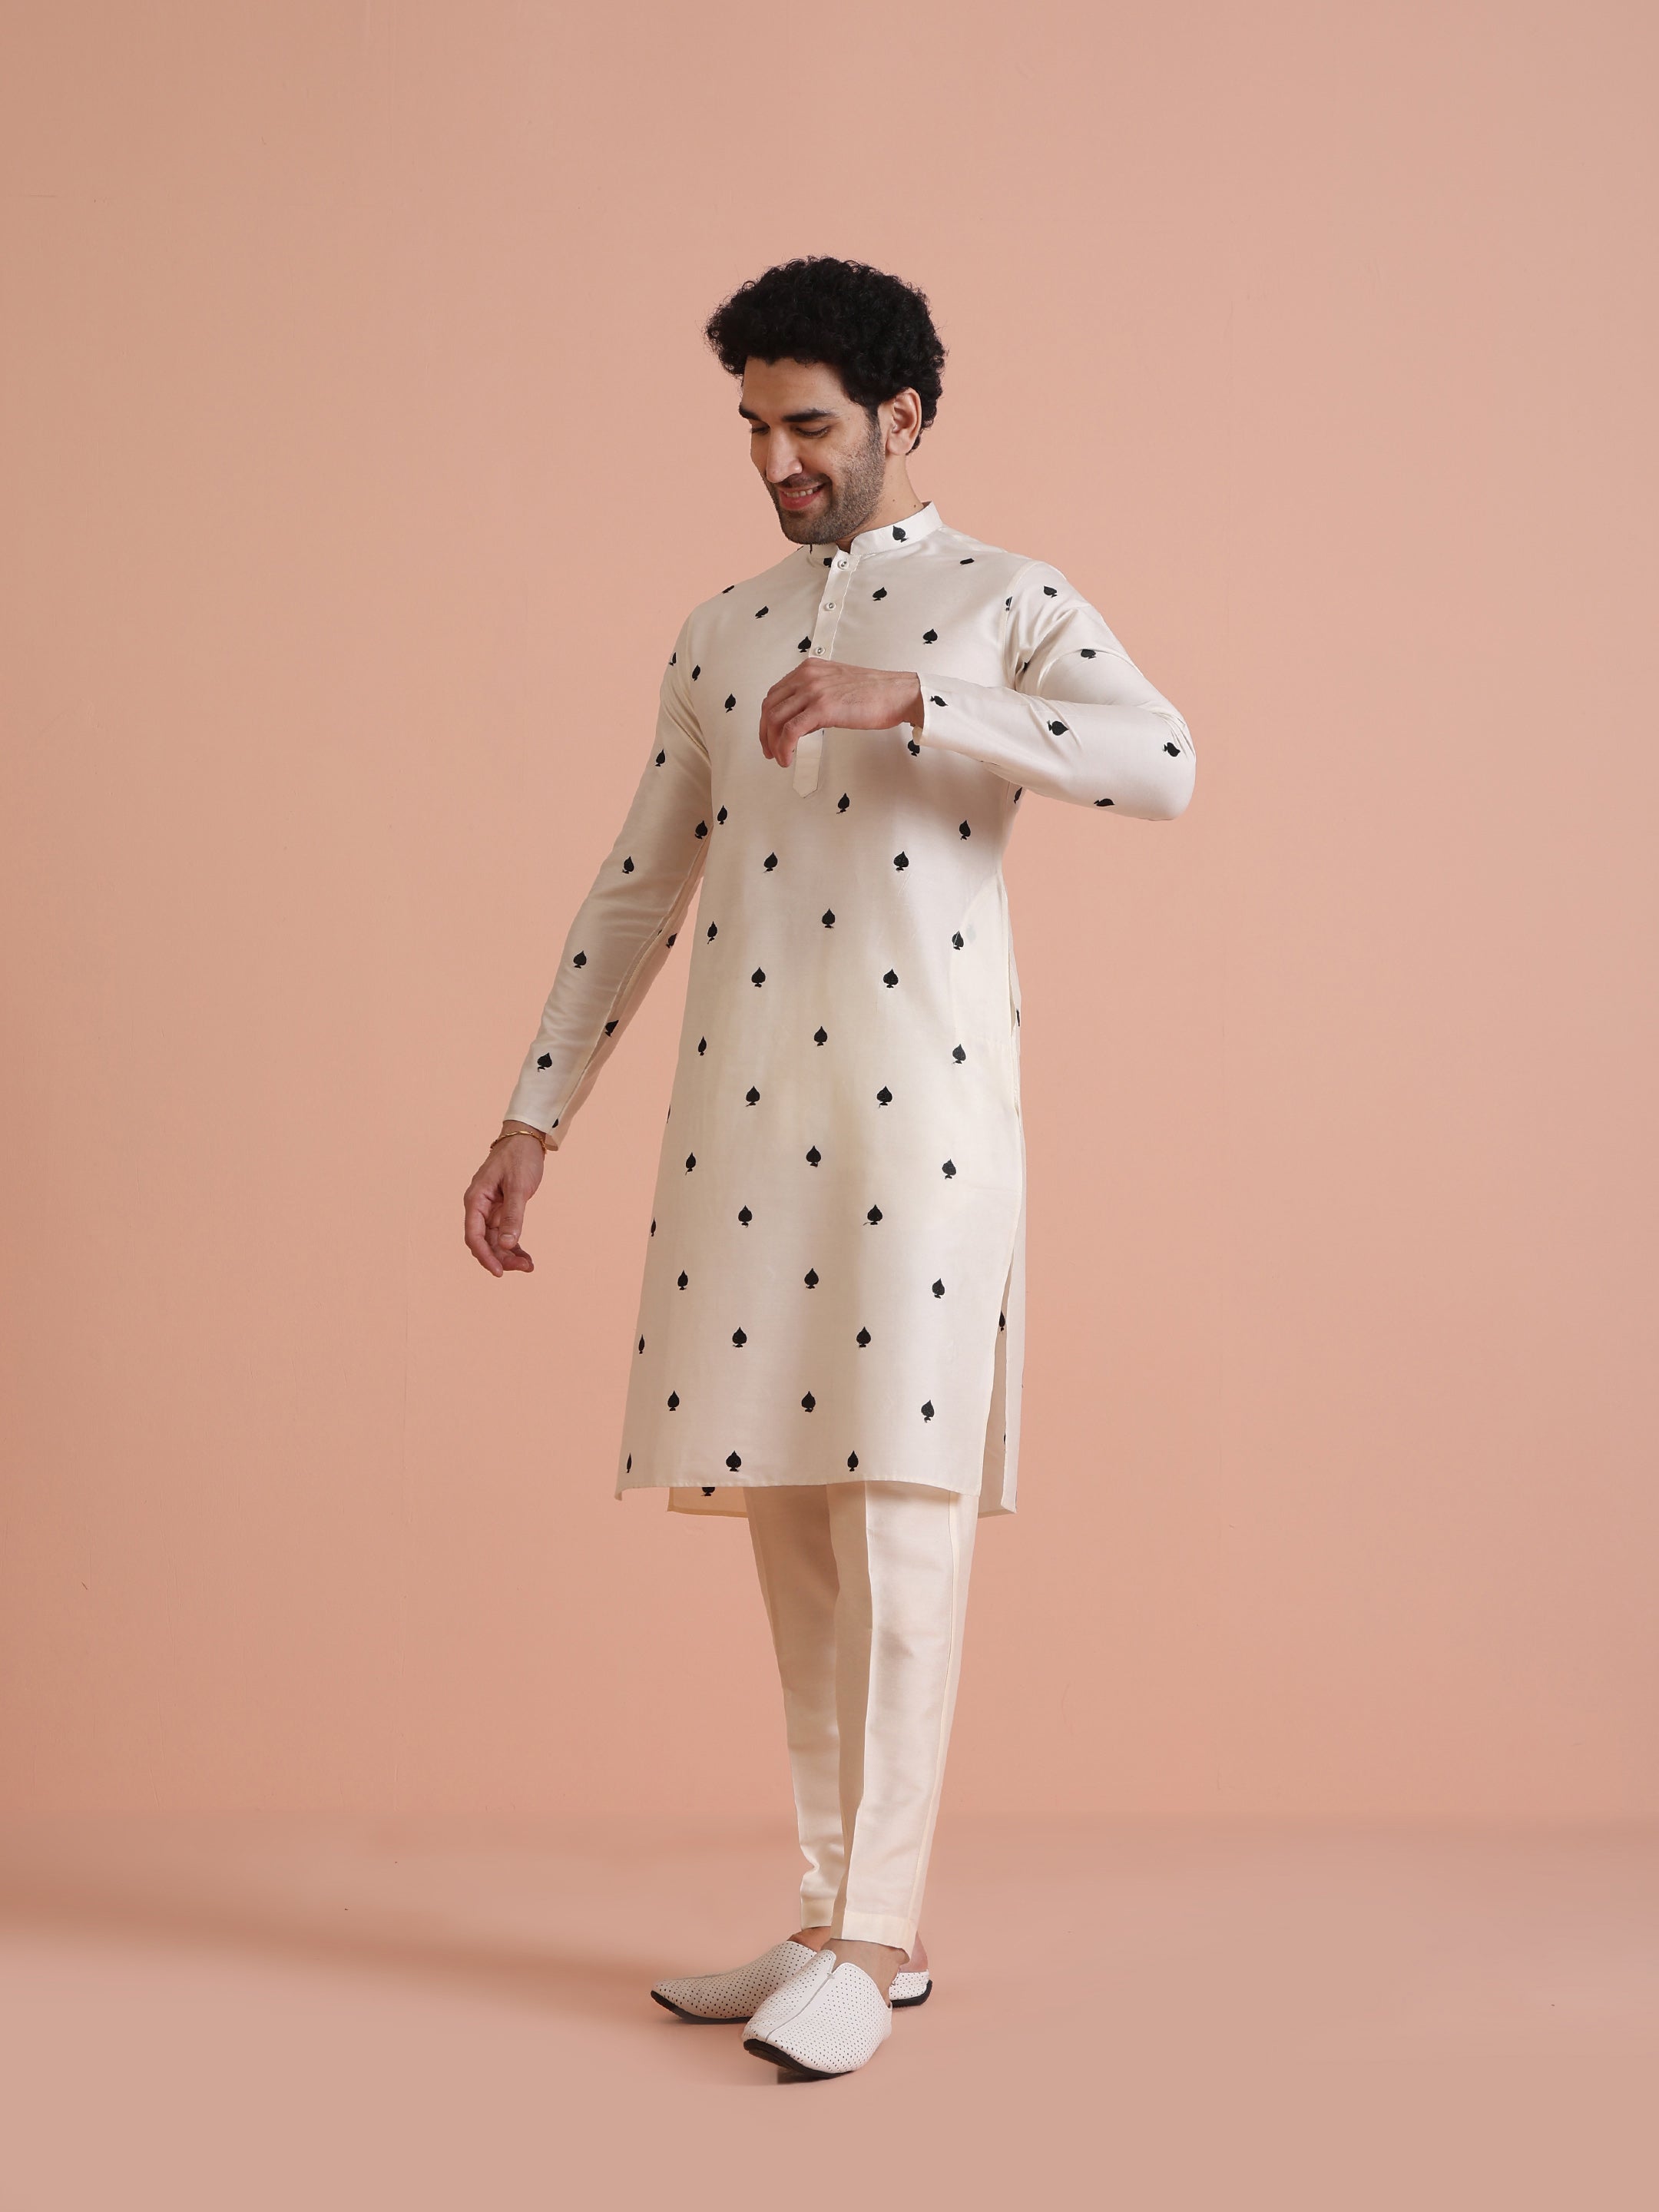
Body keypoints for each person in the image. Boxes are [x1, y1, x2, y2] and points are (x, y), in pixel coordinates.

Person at [462, 257, 1195, 2080]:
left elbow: (1165, 760)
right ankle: (835, 1916)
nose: (777, 460)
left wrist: (918, 700)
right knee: (791, 1509)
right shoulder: (720, 630)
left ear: (902, 416)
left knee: (897, 1515)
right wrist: (536, 1113)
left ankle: (875, 1932)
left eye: (808, 425)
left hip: (920, 1127)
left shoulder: (1003, 597)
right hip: (740, 1125)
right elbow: (640, 881)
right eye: (753, 428)